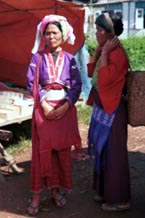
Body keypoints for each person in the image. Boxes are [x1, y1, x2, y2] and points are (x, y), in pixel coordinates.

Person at [26, 14, 82, 215]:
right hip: (44, 111)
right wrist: (44, 105)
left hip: (64, 110)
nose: (50, 36)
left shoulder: (70, 59)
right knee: (42, 153)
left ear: (63, 35)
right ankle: (35, 196)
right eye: (47, 33)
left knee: (60, 153)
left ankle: (55, 191)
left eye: (54, 32)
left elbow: (76, 85)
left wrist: (66, 105)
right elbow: (31, 82)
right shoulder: (37, 58)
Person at [87, 11, 131, 212]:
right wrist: (98, 53)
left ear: (111, 33)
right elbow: (91, 74)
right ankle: (105, 191)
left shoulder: (116, 53)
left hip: (113, 111)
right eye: (96, 30)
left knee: (114, 155)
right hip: (103, 108)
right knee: (102, 151)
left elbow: (103, 82)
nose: (96, 33)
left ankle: (120, 199)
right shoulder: (106, 49)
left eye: (100, 30)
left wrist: (103, 54)